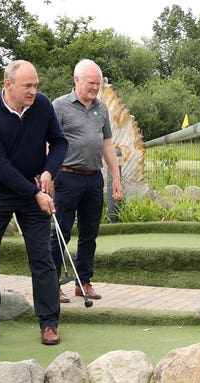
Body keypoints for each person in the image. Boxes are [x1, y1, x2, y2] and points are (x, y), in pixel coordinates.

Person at [0, 60, 68, 345]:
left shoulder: (43, 106)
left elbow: (59, 142)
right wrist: (36, 192)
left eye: (36, 85)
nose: (33, 91)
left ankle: (49, 323)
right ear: (8, 84)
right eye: (27, 86)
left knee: (42, 257)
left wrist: (49, 171)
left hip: (34, 186)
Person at [51, 59, 123, 303]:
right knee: (60, 233)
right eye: (91, 83)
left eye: (98, 84)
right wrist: (46, 174)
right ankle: (52, 284)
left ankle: (84, 282)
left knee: (89, 234)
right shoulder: (59, 106)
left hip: (93, 179)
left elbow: (107, 144)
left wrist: (116, 179)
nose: (95, 88)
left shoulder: (101, 108)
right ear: (77, 80)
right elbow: (47, 143)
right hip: (65, 177)